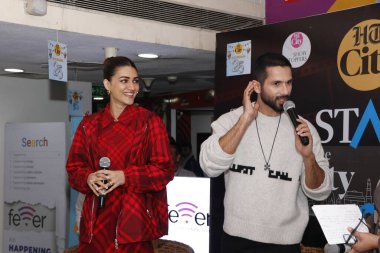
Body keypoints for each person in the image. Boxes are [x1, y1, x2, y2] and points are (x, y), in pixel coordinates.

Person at [199, 52, 332, 253]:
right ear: (257, 87)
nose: (285, 91)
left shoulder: (304, 129)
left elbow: (321, 191)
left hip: (286, 243)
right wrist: (245, 119)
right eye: (276, 84)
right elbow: (209, 165)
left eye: (289, 83)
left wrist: (308, 156)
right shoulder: (231, 121)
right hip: (236, 239)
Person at [66, 56, 174, 253]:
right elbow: (74, 170)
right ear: (107, 84)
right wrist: (88, 177)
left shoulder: (150, 123)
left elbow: (164, 171)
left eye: (135, 81)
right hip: (95, 225)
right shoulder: (88, 126)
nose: (132, 87)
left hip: (135, 226)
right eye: (124, 80)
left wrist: (125, 176)